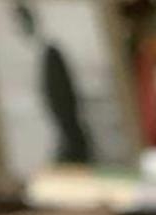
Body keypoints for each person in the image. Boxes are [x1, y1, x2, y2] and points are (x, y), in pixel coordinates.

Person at [13, 2, 92, 165]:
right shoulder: (40, 56)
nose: (21, 28)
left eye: (23, 21)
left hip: (70, 134)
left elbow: (65, 100)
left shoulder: (50, 53)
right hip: (64, 134)